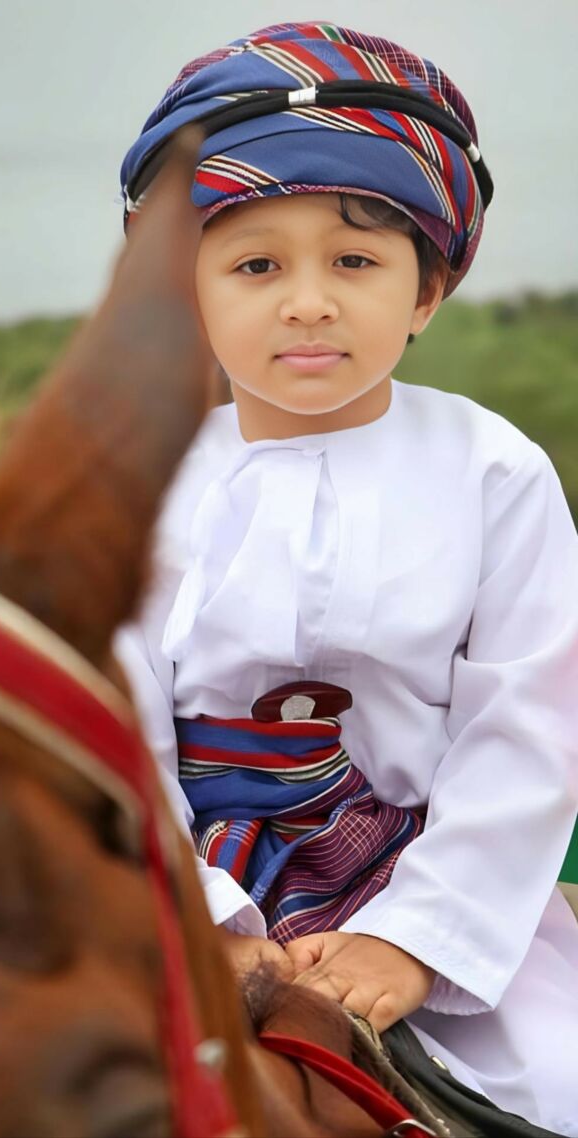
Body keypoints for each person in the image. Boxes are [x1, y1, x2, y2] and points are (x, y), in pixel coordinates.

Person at [115, 22, 578, 1135]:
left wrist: (414, 941)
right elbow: (112, 724)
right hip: (172, 882)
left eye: (356, 262)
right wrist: (207, 919)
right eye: (256, 265)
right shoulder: (135, 484)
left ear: (427, 291)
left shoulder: (493, 471)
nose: (309, 302)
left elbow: (532, 723)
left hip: (430, 880)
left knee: (558, 1084)